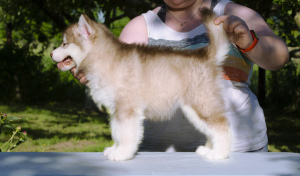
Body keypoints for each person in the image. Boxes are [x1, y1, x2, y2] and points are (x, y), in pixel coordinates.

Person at [72, 0, 289, 152]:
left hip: (239, 149)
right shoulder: (142, 25)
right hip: (159, 154)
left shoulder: (232, 11)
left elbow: (279, 57)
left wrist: (249, 41)